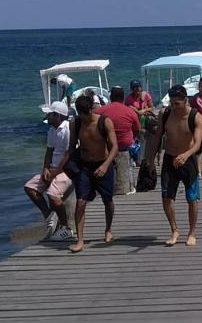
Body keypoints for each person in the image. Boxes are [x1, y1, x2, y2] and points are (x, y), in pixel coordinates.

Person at [66, 93, 118, 253]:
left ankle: (108, 229)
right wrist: (61, 167)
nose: (85, 117)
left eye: (86, 113)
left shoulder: (104, 122)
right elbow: (72, 146)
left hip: (103, 164)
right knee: (80, 202)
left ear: (91, 109)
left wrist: (105, 165)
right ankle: (80, 239)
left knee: (107, 201)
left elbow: (115, 146)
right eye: (81, 114)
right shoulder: (75, 123)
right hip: (85, 167)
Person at [154, 85, 202, 246]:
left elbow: (197, 144)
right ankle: (174, 230)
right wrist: (150, 158)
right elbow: (157, 137)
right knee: (166, 198)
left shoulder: (195, 117)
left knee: (192, 199)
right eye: (172, 103)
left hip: (188, 159)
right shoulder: (165, 114)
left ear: (185, 100)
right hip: (170, 158)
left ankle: (192, 232)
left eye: (177, 104)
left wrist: (186, 155)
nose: (173, 107)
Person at [24, 100, 75, 241]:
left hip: (66, 170)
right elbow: (49, 151)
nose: (47, 117)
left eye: (50, 114)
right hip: (53, 168)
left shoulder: (67, 130)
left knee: (53, 195)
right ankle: (49, 216)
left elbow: (68, 154)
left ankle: (66, 228)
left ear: (57, 116)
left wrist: (55, 172)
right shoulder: (52, 130)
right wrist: (46, 168)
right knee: (30, 187)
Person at [98, 86, 143, 195]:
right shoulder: (130, 111)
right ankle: (128, 186)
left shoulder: (99, 111)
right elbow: (137, 129)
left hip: (106, 147)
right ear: (123, 97)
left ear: (111, 96)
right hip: (125, 146)